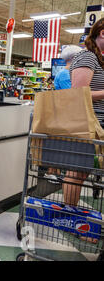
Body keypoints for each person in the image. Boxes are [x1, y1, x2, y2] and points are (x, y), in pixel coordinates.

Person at [66, 18, 104, 211]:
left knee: (81, 171)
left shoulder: (99, 58)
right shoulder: (88, 57)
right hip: (88, 124)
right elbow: (78, 93)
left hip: (98, 126)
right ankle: (70, 215)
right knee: (77, 172)